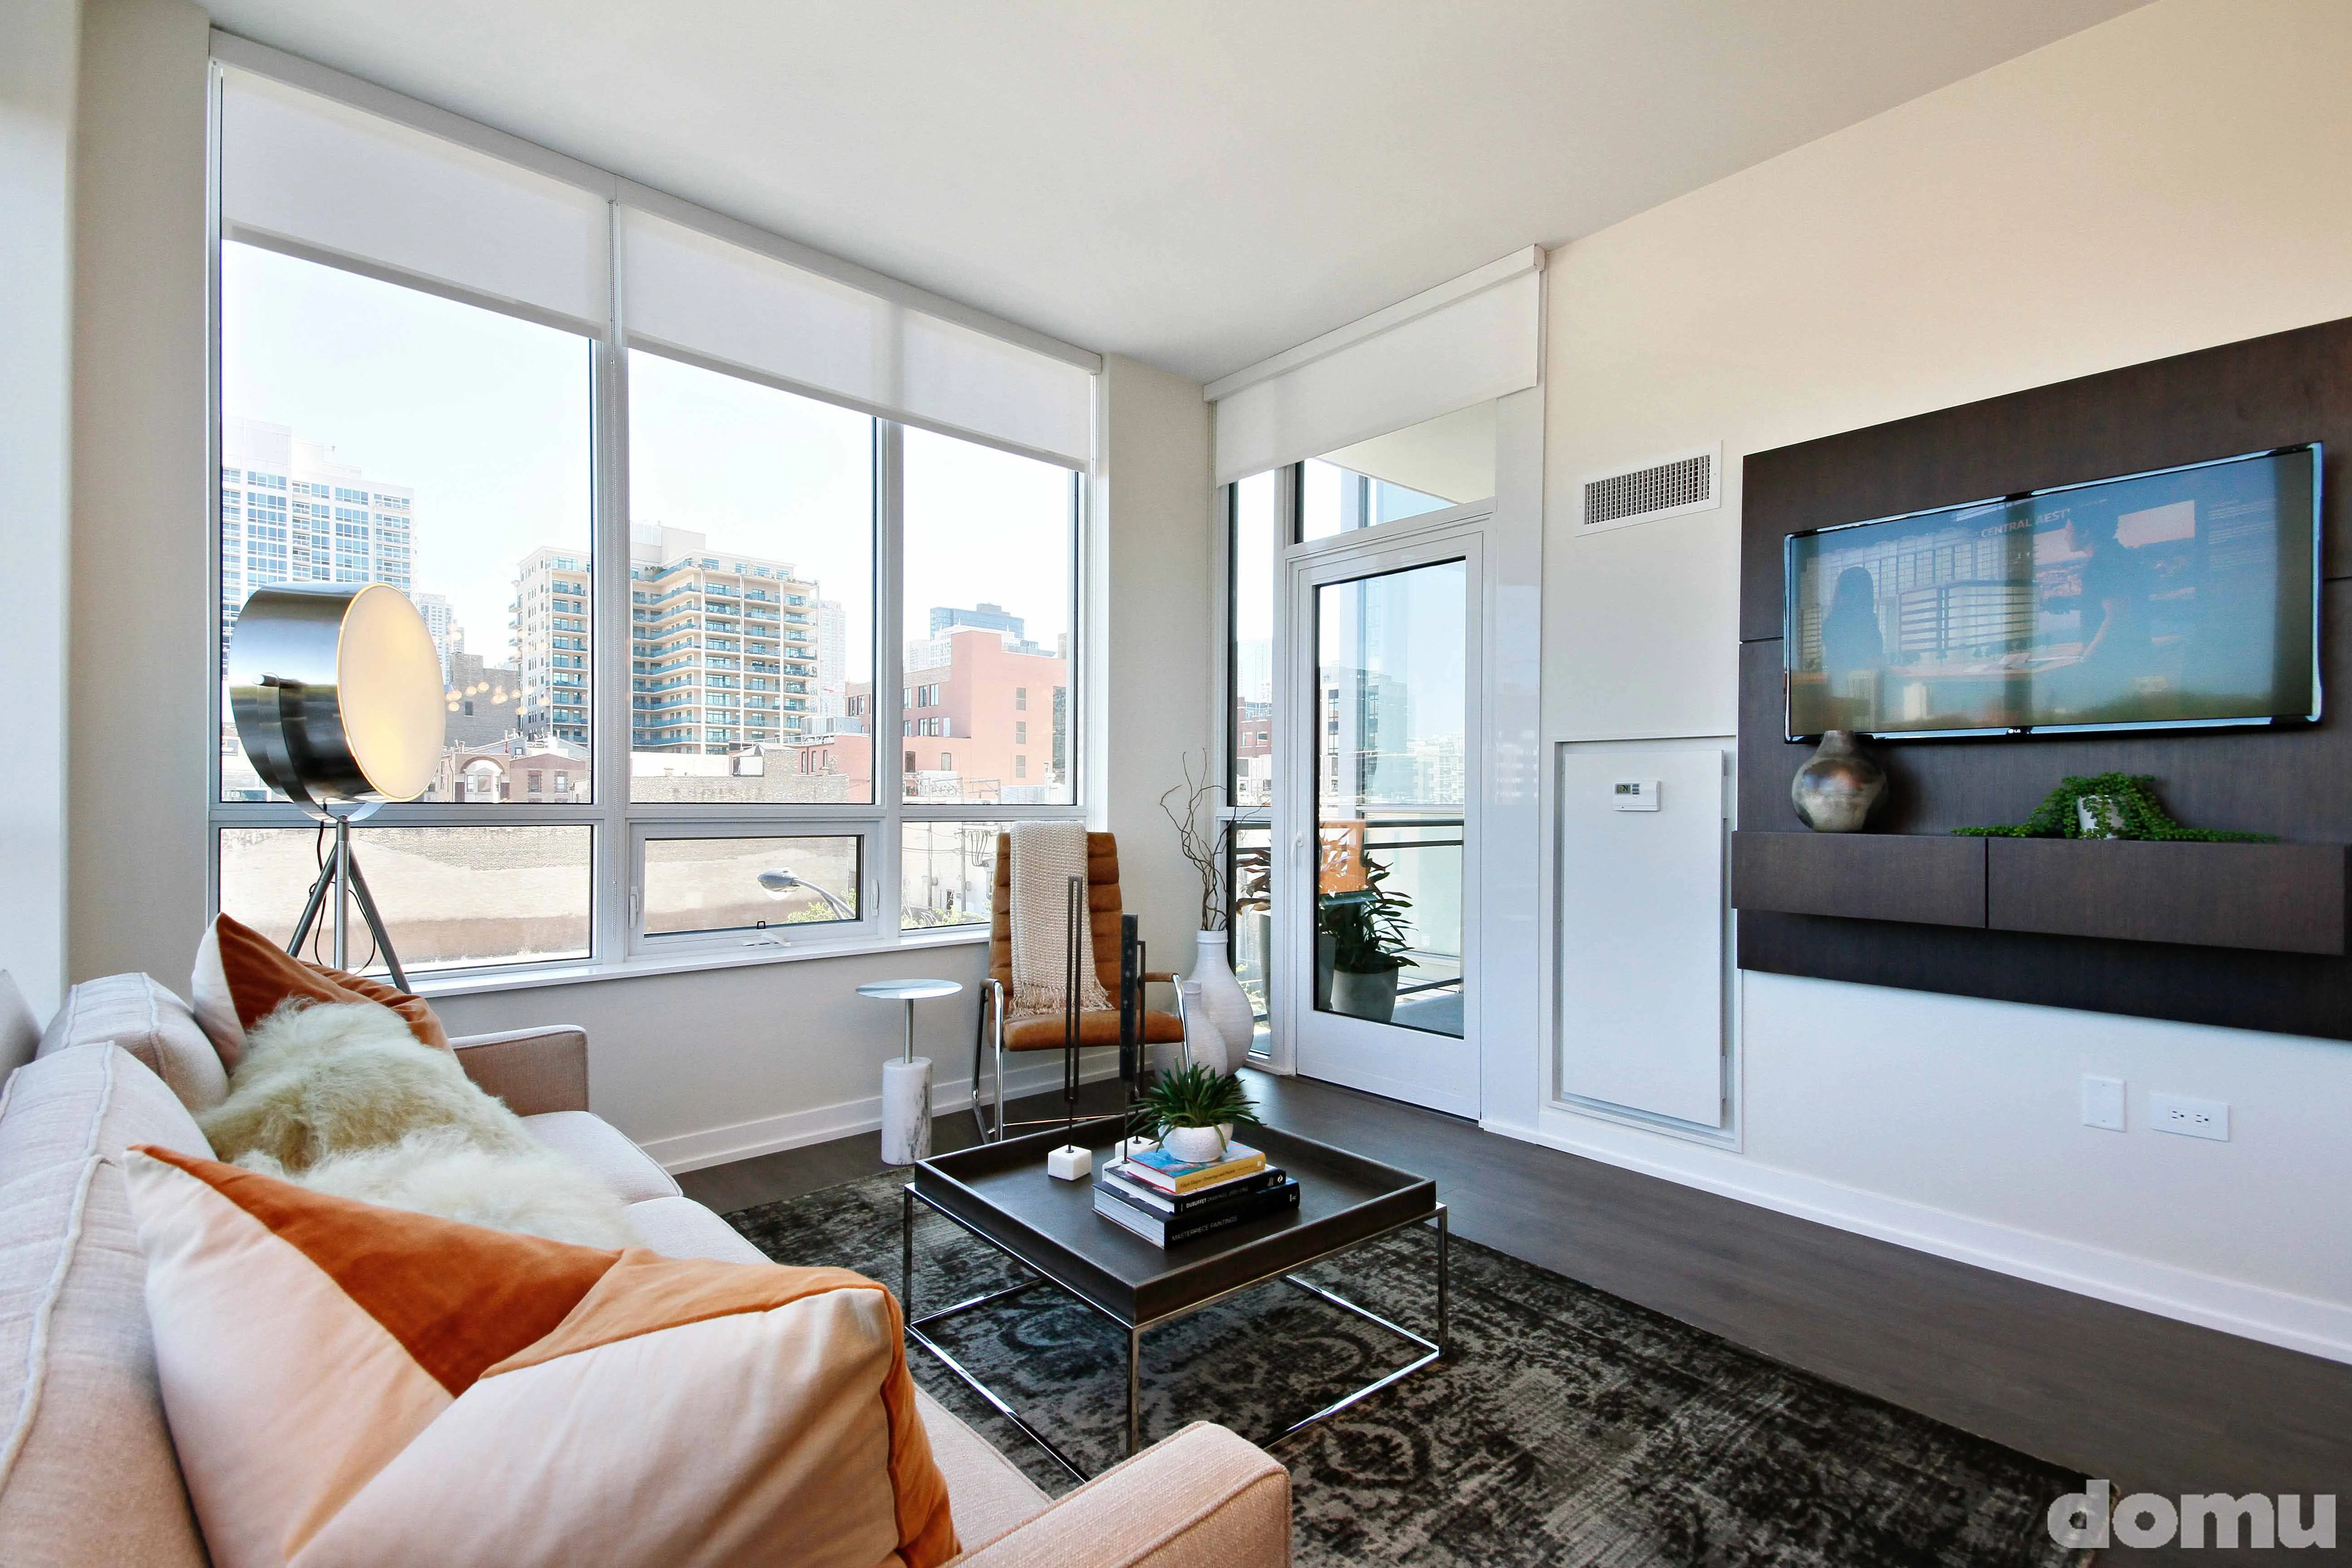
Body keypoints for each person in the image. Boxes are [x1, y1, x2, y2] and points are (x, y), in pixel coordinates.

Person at [1818, 566, 1884, 726]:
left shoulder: (1832, 620)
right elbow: (1869, 656)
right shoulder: (1861, 619)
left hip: (1839, 689)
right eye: (1866, 589)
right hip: (1856, 690)